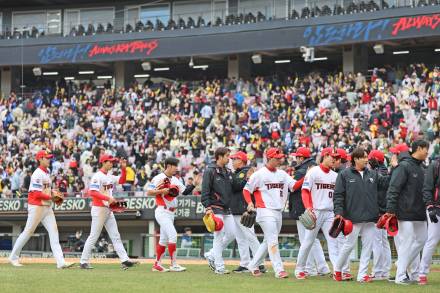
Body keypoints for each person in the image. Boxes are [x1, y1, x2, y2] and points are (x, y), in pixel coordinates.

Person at [9, 150, 74, 269]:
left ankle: (61, 262)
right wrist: (51, 197)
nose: (49, 159)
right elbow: (37, 193)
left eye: (49, 157)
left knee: (54, 232)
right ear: (40, 159)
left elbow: (45, 191)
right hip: (37, 206)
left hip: (47, 207)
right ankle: (13, 257)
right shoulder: (37, 173)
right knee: (28, 232)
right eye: (46, 157)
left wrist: (52, 193)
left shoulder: (46, 172)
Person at [333, 147, 390, 282]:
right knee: (348, 245)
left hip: (371, 217)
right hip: (352, 217)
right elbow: (338, 195)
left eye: (367, 157)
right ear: (356, 159)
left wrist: (392, 167)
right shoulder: (344, 174)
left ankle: (362, 275)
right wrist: (339, 212)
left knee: (368, 247)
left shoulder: (373, 174)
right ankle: (337, 270)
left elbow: (387, 183)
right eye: (364, 157)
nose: (367, 159)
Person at [243, 147, 302, 278]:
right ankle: (279, 269)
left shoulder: (282, 174)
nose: (280, 160)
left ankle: (253, 264)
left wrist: (308, 177)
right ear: (269, 158)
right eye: (277, 158)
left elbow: (294, 186)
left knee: (268, 241)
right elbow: (246, 190)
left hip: (278, 211)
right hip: (264, 211)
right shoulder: (259, 174)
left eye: (280, 157)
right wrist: (249, 202)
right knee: (273, 240)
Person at [80, 154, 138, 270]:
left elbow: (122, 180)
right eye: (109, 162)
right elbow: (93, 192)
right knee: (93, 236)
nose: (111, 163)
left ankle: (125, 260)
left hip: (108, 209)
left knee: (116, 235)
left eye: (112, 162)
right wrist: (108, 199)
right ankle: (83, 261)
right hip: (99, 209)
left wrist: (123, 168)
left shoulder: (109, 176)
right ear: (103, 162)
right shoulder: (97, 176)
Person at [386, 139, 429, 285]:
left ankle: (401, 264)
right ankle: (400, 277)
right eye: (425, 149)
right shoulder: (403, 166)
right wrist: (390, 210)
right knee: (408, 242)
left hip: (420, 211)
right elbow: (394, 188)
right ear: (418, 148)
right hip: (404, 211)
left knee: (423, 239)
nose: (427, 152)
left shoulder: (423, 168)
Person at [295, 148, 340, 280]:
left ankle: (337, 270)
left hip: (329, 213)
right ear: (325, 156)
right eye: (332, 156)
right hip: (315, 212)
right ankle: (300, 269)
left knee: (333, 242)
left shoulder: (335, 175)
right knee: (308, 241)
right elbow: (305, 191)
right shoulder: (313, 171)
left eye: (336, 157)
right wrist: (308, 207)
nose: (335, 159)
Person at [289, 147, 330, 277]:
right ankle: (323, 267)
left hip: (304, 208)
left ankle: (310, 268)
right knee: (313, 240)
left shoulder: (303, 171)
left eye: (297, 157)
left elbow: (293, 188)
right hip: (312, 207)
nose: (296, 159)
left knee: (306, 240)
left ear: (301, 158)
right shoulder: (314, 168)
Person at [147, 157, 191, 272]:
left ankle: (157, 264)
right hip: (162, 211)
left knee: (163, 240)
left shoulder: (175, 179)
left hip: (171, 213)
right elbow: (149, 192)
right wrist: (161, 191)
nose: (177, 168)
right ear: (169, 166)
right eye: (175, 166)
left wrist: (194, 184)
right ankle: (174, 264)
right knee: (173, 235)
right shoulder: (158, 178)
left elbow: (185, 192)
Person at [228, 151, 265, 273]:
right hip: (237, 209)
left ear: (242, 161)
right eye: (232, 159)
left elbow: (236, 185)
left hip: (244, 209)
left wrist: (230, 176)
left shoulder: (245, 171)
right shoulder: (238, 172)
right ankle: (245, 263)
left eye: (235, 159)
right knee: (240, 238)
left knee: (250, 236)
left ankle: (259, 263)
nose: (232, 161)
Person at [201, 147, 234, 274]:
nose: (229, 158)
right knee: (218, 237)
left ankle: (211, 254)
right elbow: (205, 191)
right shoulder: (210, 170)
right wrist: (208, 207)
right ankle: (219, 267)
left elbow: (235, 187)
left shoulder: (228, 171)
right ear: (219, 157)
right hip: (215, 207)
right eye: (227, 155)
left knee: (232, 234)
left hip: (227, 208)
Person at [368, 150, 392, 281]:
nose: (368, 161)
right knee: (383, 242)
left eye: (370, 159)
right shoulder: (385, 171)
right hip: (384, 211)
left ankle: (378, 272)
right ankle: (385, 271)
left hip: (378, 211)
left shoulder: (376, 174)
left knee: (377, 242)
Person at [418, 155, 440, 285]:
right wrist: (429, 205)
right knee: (432, 240)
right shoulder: (435, 166)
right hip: (436, 208)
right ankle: (422, 273)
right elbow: (427, 187)